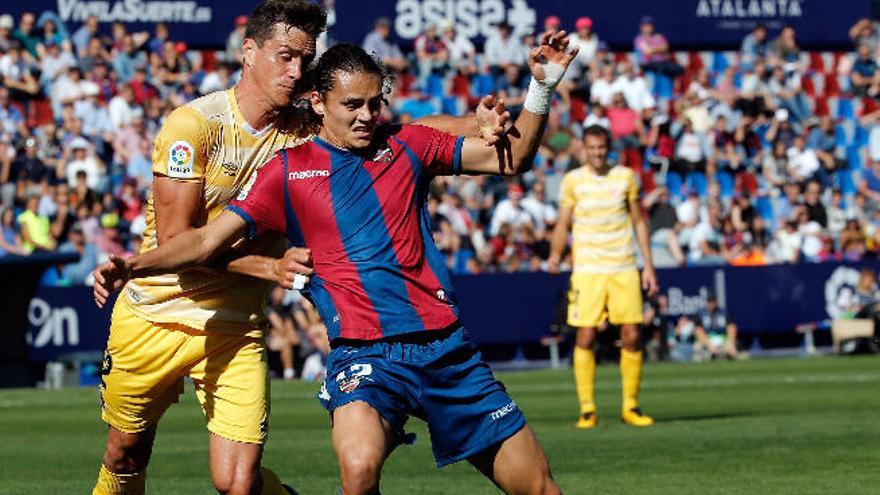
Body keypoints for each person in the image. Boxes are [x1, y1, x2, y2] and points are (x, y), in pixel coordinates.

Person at [94, 36, 578, 495]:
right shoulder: (285, 171)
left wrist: (541, 88)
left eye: (375, 103)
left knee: (538, 487)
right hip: (364, 357)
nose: (367, 116)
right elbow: (204, 242)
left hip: (446, 350)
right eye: (353, 105)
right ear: (319, 103)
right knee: (358, 468)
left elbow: (511, 161)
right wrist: (133, 265)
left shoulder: (408, 145)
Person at [548, 124, 659, 429]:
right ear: (584, 148)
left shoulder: (625, 177)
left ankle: (631, 406)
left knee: (633, 335)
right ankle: (587, 409)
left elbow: (639, 223)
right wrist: (556, 254)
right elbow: (562, 224)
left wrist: (647, 265)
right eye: (591, 148)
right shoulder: (572, 181)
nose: (597, 153)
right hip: (588, 269)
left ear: (608, 148)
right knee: (585, 335)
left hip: (623, 265)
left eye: (601, 148)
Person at [694, 294, 738, 359]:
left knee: (732, 349)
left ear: (716, 302)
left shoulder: (723, 312)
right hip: (707, 339)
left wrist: (730, 341)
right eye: (709, 301)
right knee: (697, 347)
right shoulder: (701, 313)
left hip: (722, 338)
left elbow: (731, 327)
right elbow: (698, 330)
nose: (711, 304)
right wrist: (709, 345)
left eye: (713, 301)